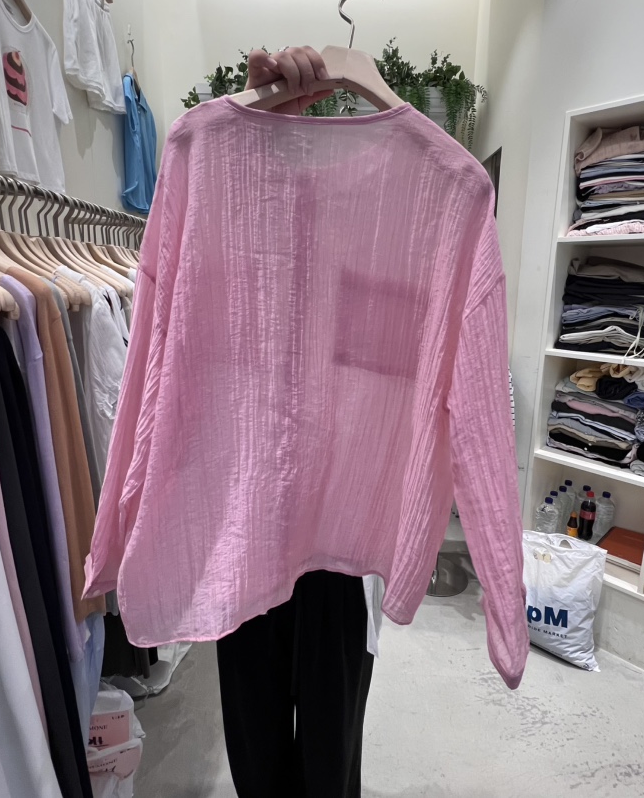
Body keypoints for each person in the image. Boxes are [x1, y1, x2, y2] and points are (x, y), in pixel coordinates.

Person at [215, 46, 376, 798]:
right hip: (242, 516)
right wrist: (257, 124)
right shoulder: (230, 210)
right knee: (255, 737)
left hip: (340, 528)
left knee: (331, 740)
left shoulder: (387, 217)